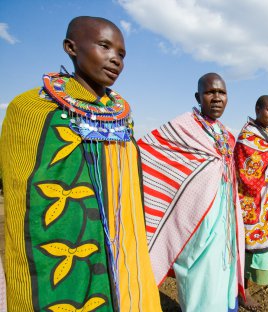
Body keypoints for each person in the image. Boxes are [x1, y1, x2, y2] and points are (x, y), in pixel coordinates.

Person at [0, 16, 161, 311]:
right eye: (105, 46)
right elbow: (23, 193)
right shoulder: (32, 108)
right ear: (71, 47)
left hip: (119, 235)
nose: (115, 60)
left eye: (122, 55)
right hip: (65, 239)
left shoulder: (120, 114)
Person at [138, 73, 245, 312]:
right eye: (210, 92)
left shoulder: (227, 134)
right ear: (198, 97)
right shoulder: (183, 126)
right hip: (196, 217)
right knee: (199, 268)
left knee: (223, 263)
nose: (217, 98)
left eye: (222, 93)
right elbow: (147, 150)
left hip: (224, 213)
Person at [234, 95, 268, 310]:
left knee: (257, 250)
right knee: (245, 248)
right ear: (258, 108)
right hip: (250, 202)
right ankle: (242, 292)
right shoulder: (248, 136)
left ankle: (246, 287)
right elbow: (246, 173)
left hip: (266, 200)